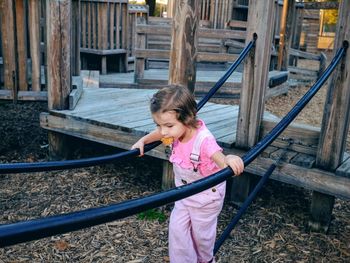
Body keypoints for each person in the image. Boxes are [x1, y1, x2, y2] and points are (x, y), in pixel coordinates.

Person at [132, 85, 244, 263]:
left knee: (202, 239)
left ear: (188, 118)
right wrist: (143, 140)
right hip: (184, 196)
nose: (163, 132)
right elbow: (159, 134)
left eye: (168, 125)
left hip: (206, 199)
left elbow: (221, 160)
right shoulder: (175, 131)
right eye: (159, 125)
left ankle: (206, 260)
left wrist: (230, 159)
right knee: (178, 233)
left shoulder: (204, 140)